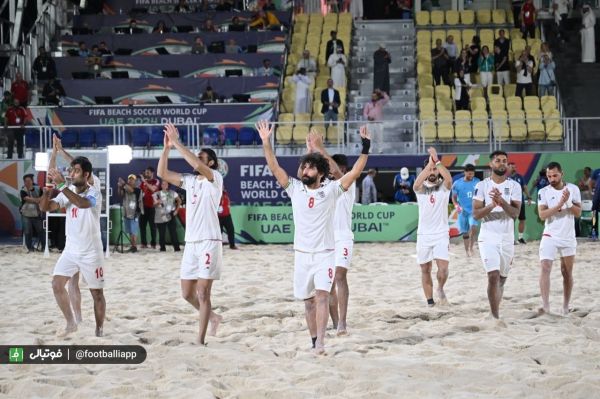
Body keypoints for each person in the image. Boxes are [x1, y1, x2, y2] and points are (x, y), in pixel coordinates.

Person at [255, 120, 370, 355]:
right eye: (304, 168)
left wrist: (366, 146)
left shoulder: (331, 191)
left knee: (322, 297)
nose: (305, 171)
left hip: (325, 255)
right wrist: (266, 142)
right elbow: (274, 165)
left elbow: (355, 171)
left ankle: (321, 344)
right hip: (301, 255)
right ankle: (314, 339)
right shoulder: (295, 189)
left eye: (309, 168)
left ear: (320, 173)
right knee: (307, 303)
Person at [158, 124, 224, 345]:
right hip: (191, 242)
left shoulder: (215, 177)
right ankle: (213, 316)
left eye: (202, 156)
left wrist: (177, 142)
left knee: (204, 292)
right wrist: (167, 148)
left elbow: (195, 163)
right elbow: (162, 174)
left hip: (209, 241)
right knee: (187, 294)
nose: (197, 158)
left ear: (211, 163)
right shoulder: (191, 181)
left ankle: (200, 339)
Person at [39, 156, 106, 337]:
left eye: (76, 171)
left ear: (86, 175)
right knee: (57, 284)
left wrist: (61, 186)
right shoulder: (66, 191)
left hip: (91, 252)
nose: (71, 173)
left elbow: (82, 203)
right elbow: (46, 208)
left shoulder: (94, 193)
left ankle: (99, 331)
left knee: (97, 294)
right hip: (71, 250)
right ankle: (71, 323)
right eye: (71, 170)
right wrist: (46, 193)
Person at [473, 150, 522, 320]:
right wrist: (491, 205)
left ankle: (495, 309)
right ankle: (494, 316)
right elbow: (476, 214)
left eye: (504, 161)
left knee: (502, 279)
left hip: (507, 238)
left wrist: (502, 202)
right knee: (492, 276)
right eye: (498, 160)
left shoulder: (515, 186)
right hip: (488, 237)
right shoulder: (482, 186)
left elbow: (515, 213)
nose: (502, 163)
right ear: (491, 164)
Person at [537, 162, 581, 316]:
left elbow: (578, 213)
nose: (552, 179)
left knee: (567, 272)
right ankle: (546, 306)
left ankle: (565, 306)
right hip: (550, 234)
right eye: (549, 176)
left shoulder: (573, 189)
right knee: (545, 267)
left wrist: (568, 202)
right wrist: (560, 205)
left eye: (555, 175)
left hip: (568, 236)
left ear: (561, 173)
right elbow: (542, 215)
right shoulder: (543, 192)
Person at [413, 148, 452, 307]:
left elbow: (449, 179)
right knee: (425, 269)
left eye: (435, 169)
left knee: (442, 269)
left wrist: (436, 162)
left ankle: (440, 288)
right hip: (424, 235)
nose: (432, 171)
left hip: (441, 234)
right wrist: (429, 165)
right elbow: (416, 184)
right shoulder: (421, 189)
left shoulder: (444, 187)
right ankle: (430, 302)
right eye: (430, 169)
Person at [452, 164, 480, 257]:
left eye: (472, 174)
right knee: (465, 232)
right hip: (462, 211)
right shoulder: (457, 183)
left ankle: (471, 248)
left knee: (473, 228)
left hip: (473, 211)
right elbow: (454, 197)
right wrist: (456, 205)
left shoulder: (477, 182)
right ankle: (466, 251)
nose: (471, 176)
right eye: (469, 174)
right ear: (464, 172)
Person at [153, 180, 181, 252]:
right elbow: (154, 204)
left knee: (173, 232)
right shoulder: (156, 194)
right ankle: (162, 248)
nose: (164, 185)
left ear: (168, 185)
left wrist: (177, 210)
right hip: (161, 214)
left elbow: (179, 200)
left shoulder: (173, 193)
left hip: (171, 213)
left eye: (165, 184)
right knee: (162, 232)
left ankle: (176, 248)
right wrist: (157, 202)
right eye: (162, 184)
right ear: (161, 185)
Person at [508, 162, 532, 244]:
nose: (514, 169)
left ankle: (520, 238)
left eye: (515, 167)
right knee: (512, 220)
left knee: (522, 219)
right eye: (512, 167)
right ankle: (511, 239)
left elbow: (524, 187)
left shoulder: (520, 177)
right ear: (508, 168)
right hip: (510, 203)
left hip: (520, 202)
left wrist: (528, 197)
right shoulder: (505, 178)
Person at [20, 174, 45, 252]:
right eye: (25, 181)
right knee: (27, 231)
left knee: (41, 230)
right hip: (26, 214)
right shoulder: (22, 190)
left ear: (32, 181)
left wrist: (39, 199)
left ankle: (44, 247)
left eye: (29, 181)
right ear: (24, 182)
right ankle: (30, 248)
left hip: (37, 213)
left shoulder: (38, 188)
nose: (27, 182)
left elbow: (43, 198)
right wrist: (38, 199)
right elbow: (31, 200)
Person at [118, 174, 142, 253]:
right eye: (129, 179)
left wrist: (124, 184)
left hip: (134, 213)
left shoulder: (137, 189)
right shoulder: (125, 188)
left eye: (132, 179)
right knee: (129, 230)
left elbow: (131, 190)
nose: (130, 180)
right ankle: (132, 246)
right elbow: (120, 195)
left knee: (133, 231)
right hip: (126, 213)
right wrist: (120, 187)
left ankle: (134, 246)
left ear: (135, 181)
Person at [363, 89, 389, 153]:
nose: (373, 97)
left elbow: (387, 99)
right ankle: (369, 150)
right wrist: (368, 117)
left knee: (380, 137)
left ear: (377, 97)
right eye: (372, 96)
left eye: (375, 96)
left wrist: (381, 92)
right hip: (370, 122)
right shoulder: (368, 104)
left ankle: (380, 150)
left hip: (379, 122)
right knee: (369, 137)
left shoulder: (380, 102)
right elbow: (364, 113)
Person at [139, 167, 159, 249]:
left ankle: (153, 244)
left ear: (152, 173)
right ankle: (144, 243)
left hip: (152, 207)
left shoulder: (156, 181)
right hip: (143, 207)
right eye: (145, 172)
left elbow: (153, 189)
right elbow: (140, 192)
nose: (146, 174)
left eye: (147, 172)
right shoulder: (143, 183)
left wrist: (145, 182)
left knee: (153, 227)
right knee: (142, 226)